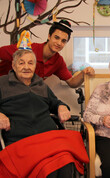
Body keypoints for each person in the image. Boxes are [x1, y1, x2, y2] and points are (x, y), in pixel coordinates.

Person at [0, 49, 89, 177]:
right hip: (21, 141)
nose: (26, 67)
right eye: (21, 63)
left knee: (67, 161)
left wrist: (62, 107)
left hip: (48, 138)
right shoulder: (2, 83)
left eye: (30, 63)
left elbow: (55, 103)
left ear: (35, 66)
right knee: (48, 169)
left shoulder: (41, 84)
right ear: (13, 66)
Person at [0, 19, 95, 88]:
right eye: (56, 37)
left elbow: (72, 82)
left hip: (22, 94)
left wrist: (83, 73)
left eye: (63, 41)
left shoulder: (58, 61)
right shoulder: (28, 49)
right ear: (49, 36)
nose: (59, 43)